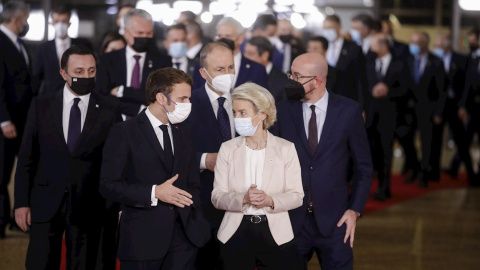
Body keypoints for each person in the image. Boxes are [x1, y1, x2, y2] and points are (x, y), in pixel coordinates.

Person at [14, 46, 122, 269]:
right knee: (40, 263)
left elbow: (116, 162)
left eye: (91, 71)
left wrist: (116, 205)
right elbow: (27, 157)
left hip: (89, 204)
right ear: (63, 73)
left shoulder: (110, 109)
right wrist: (21, 203)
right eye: (79, 71)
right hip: (45, 201)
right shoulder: (41, 105)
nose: (86, 77)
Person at [99, 67, 210, 270]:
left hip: (184, 240)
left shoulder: (184, 130)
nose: (188, 104)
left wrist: (194, 218)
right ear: (161, 97)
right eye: (182, 98)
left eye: (189, 98)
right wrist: (155, 192)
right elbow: (108, 185)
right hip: (141, 240)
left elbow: (193, 181)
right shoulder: (125, 132)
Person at [272, 53, 373, 269]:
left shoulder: (348, 111)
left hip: (336, 221)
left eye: (297, 76)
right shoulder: (282, 110)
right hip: (291, 220)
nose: (291, 81)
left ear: (317, 81)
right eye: (291, 73)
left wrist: (354, 210)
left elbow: (363, 168)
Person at [212, 82, 304, 269]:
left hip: (276, 232)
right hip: (235, 231)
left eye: (243, 113)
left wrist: (270, 200)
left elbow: (297, 196)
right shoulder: (227, 148)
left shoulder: (286, 148)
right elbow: (217, 197)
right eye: (235, 112)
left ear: (262, 115)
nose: (237, 118)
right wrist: (243, 198)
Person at [188, 41, 236, 270]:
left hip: (240, 208)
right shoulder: (187, 105)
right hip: (202, 208)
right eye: (220, 69)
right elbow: (173, 153)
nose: (227, 74)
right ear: (203, 73)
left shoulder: (247, 102)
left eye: (231, 67)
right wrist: (203, 160)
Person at [95, 9, 172, 119]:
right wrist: (138, 109)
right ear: (126, 33)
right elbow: (102, 96)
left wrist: (123, 91)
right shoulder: (108, 60)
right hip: (113, 123)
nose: (144, 37)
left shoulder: (163, 61)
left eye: (149, 33)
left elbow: (160, 96)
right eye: (140, 33)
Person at [0, 1, 32, 239]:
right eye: (26, 19)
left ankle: (13, 219)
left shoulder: (17, 43)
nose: (26, 23)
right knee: (2, 173)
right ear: (17, 19)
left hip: (21, 121)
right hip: (7, 123)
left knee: (21, 169)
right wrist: (3, 120)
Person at [366, 33, 410, 201]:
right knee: (370, 153)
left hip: (390, 116)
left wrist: (388, 91)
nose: (370, 48)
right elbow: (363, 86)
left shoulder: (400, 65)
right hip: (370, 116)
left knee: (385, 153)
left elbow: (407, 89)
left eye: (374, 44)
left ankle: (385, 188)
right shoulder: (369, 63)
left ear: (384, 45)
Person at [405, 31, 446, 187]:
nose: (413, 45)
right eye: (412, 41)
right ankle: (414, 168)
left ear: (424, 44)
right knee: (407, 140)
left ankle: (423, 173)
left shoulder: (436, 62)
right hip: (409, 110)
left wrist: (438, 112)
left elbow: (442, 90)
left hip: (428, 110)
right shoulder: (407, 59)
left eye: (416, 42)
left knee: (426, 143)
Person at [432, 33, 474, 182]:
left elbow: (466, 85)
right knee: (435, 141)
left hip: (455, 106)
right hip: (439, 107)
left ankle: (470, 173)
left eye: (439, 46)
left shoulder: (461, 60)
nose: (436, 48)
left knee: (461, 141)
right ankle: (434, 173)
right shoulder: (434, 60)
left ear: (448, 46)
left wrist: (463, 106)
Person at [192, 17, 269, 90]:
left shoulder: (257, 70)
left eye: (227, 36)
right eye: (219, 36)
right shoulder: (201, 67)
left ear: (241, 38)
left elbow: (262, 101)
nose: (223, 40)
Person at [33, 6, 93, 95]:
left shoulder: (82, 45)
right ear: (52, 23)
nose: (60, 25)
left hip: (77, 95)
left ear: (69, 23)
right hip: (50, 98)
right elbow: (37, 77)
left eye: (64, 21)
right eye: (57, 21)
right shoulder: (44, 48)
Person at [323, 15, 368, 112]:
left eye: (330, 28)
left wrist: (361, 106)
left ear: (339, 27)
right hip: (324, 100)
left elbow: (361, 79)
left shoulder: (354, 48)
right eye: (325, 28)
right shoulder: (322, 47)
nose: (327, 31)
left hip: (346, 98)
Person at [458, 38, 480, 186]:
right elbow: (467, 84)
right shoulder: (472, 58)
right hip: (473, 109)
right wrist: (462, 105)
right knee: (463, 142)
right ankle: (471, 175)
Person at [244, 36, 287, 103]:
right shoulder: (243, 74)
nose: (245, 57)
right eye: (245, 52)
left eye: (250, 54)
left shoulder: (283, 82)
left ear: (265, 56)